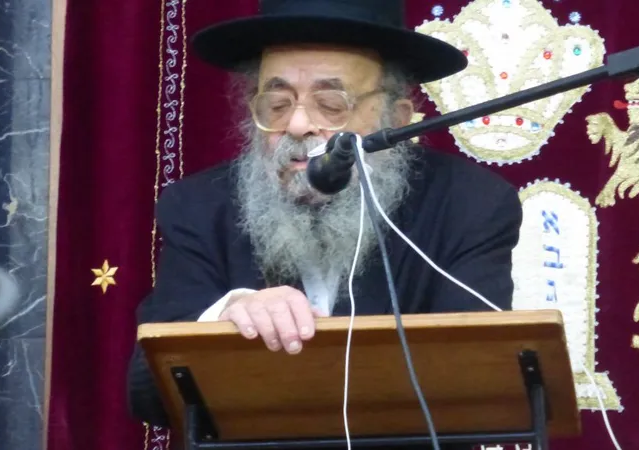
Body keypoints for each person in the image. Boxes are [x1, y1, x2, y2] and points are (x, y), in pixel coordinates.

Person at [127, 0, 524, 439]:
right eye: (277, 104)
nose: (298, 125)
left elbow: (477, 380)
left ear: (395, 119)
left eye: (331, 104)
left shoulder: (470, 204)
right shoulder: (200, 206)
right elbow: (147, 392)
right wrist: (225, 318)